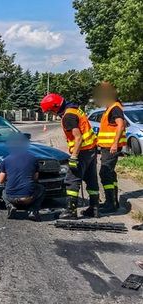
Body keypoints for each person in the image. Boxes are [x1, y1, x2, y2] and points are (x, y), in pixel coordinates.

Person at [40, 93, 100, 219]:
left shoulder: (68, 116)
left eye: (51, 112)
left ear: (55, 107)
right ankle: (94, 208)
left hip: (81, 151)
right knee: (91, 179)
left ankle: (71, 211)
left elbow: (78, 138)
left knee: (71, 180)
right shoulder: (75, 110)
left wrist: (73, 157)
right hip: (91, 150)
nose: (52, 115)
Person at [94, 82, 127, 213]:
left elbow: (120, 125)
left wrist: (114, 143)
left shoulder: (115, 108)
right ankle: (113, 201)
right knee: (110, 173)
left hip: (111, 147)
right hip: (107, 146)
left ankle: (110, 203)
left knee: (105, 172)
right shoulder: (111, 107)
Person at [0, 133, 44, 222]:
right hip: (28, 197)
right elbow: (35, 178)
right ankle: (33, 211)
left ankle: (10, 206)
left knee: (3, 191)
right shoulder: (33, 159)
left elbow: (0, 180)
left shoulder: (6, 160)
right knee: (41, 188)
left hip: (11, 197)